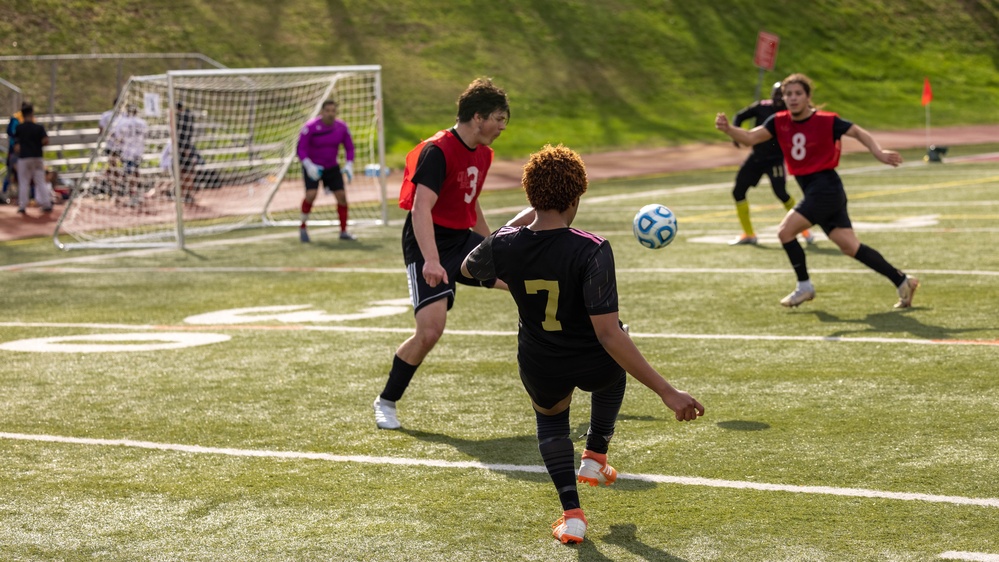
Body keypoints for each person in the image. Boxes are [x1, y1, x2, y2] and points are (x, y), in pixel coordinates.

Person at [461, 144, 704, 544]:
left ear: (530, 195)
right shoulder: (591, 248)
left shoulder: (505, 243)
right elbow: (609, 334)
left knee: (552, 422)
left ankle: (572, 515)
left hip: (541, 362)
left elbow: (469, 267)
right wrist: (667, 390)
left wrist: (522, 221)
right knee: (617, 354)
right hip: (594, 361)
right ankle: (594, 454)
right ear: (577, 197)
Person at [372, 77, 511, 430]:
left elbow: (471, 202)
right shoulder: (438, 151)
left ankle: (603, 332)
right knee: (430, 331)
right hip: (426, 242)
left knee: (522, 279)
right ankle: (386, 400)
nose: (501, 127)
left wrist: (493, 244)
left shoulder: (484, 153)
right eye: (498, 118)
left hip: (460, 238)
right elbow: (421, 210)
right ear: (478, 117)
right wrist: (431, 260)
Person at [715, 73, 919, 308]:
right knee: (850, 247)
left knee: (785, 232)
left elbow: (858, 132)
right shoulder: (778, 121)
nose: (792, 98)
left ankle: (804, 286)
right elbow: (751, 137)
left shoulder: (826, 120)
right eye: (788, 94)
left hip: (825, 188)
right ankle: (902, 281)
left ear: (808, 96)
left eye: (798, 93)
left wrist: (878, 152)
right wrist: (728, 129)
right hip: (817, 190)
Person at [729, 82, 813, 246]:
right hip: (756, 157)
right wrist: (735, 133)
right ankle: (748, 233)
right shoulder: (762, 107)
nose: (778, 99)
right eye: (776, 95)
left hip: (774, 159)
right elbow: (739, 116)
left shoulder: (789, 113)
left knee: (781, 193)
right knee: (738, 191)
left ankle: (804, 229)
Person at [296, 99, 356, 242]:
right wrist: (308, 165)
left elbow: (349, 147)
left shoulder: (341, 127)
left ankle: (343, 231)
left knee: (342, 197)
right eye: (327, 111)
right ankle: (303, 227)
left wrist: (349, 164)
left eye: (333, 111)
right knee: (311, 195)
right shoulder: (310, 127)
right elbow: (300, 148)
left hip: (332, 166)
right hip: (313, 167)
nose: (330, 114)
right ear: (322, 112)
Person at [13, 104, 50, 214]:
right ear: (32, 114)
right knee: (40, 181)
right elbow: (46, 141)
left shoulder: (20, 128)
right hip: (37, 157)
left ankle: (23, 206)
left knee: (24, 182)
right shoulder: (39, 128)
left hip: (24, 158)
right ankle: (46, 203)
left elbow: (16, 146)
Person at [111, 103, 148, 204]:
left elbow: (117, 138)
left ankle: (133, 196)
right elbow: (145, 135)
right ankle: (139, 194)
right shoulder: (142, 122)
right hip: (139, 151)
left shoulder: (123, 122)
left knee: (130, 174)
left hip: (128, 152)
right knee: (136, 172)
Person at [174, 101, 201, 204]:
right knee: (183, 172)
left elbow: (185, 135)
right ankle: (185, 193)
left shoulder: (184, 118)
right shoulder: (180, 118)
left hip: (184, 148)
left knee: (187, 172)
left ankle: (187, 193)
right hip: (181, 148)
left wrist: (186, 148)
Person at [4, 102, 26, 203]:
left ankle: (21, 196)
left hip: (23, 152)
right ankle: (4, 193)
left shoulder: (23, 119)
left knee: (20, 175)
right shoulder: (16, 118)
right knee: (11, 173)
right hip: (16, 151)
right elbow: (10, 132)